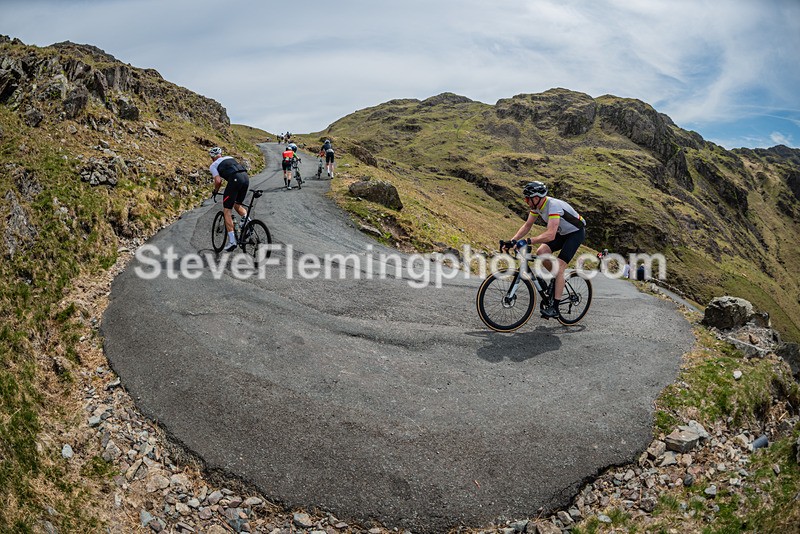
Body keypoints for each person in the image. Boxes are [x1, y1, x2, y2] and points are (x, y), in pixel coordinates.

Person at [504, 181, 586, 318]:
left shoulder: (553, 207)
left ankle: (555, 308)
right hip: (562, 233)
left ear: (536, 198)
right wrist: (513, 240)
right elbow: (527, 225)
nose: (525, 201)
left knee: (559, 269)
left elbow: (550, 235)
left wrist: (528, 241)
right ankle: (556, 280)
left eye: (527, 198)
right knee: (541, 252)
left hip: (575, 233)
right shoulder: (537, 207)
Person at [209, 147, 250, 252]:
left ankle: (232, 241)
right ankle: (247, 222)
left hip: (235, 179)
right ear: (221, 154)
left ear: (212, 157)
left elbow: (218, 181)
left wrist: (215, 191)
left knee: (227, 210)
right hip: (245, 177)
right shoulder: (229, 157)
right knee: (237, 205)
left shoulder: (213, 165)